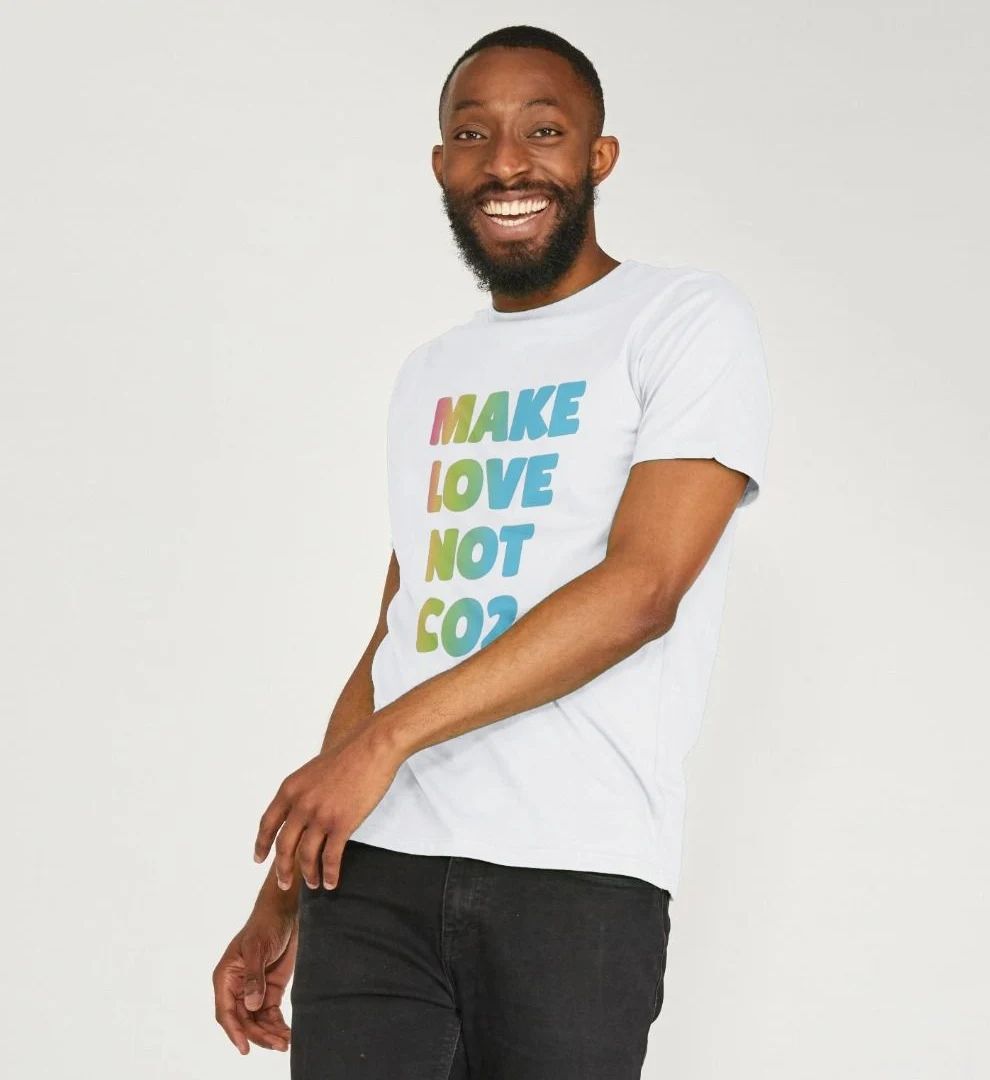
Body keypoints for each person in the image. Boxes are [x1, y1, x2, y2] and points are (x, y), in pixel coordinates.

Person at [212, 23, 772, 1079]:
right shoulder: (431, 370)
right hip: (373, 875)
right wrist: (281, 892)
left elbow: (643, 589)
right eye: (474, 134)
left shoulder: (683, 320)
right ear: (442, 165)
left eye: (543, 131)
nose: (508, 162)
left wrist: (384, 745)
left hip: (573, 877)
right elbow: (400, 627)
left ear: (598, 156)